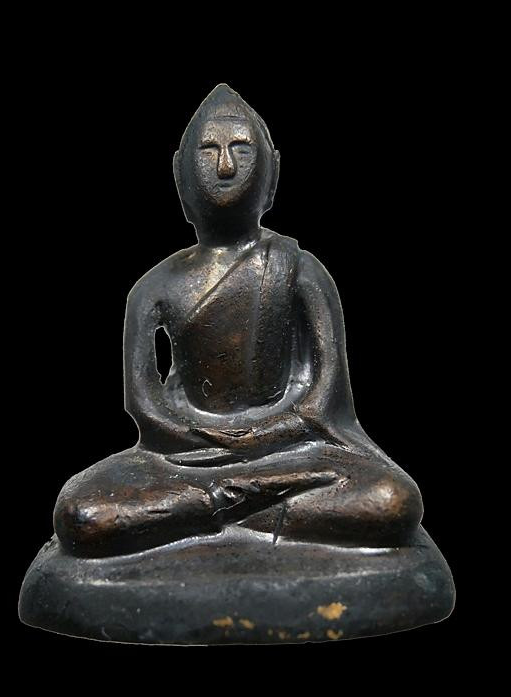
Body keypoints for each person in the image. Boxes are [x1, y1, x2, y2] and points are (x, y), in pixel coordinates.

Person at [54, 84, 422, 558]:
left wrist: (264, 435)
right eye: (209, 151)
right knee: (83, 512)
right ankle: (254, 507)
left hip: (290, 451)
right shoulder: (154, 288)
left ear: (272, 172)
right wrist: (202, 437)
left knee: (391, 500)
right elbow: (144, 405)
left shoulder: (300, 269)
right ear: (180, 174)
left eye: (242, 150)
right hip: (184, 459)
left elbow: (325, 396)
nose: (225, 166)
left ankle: (215, 511)